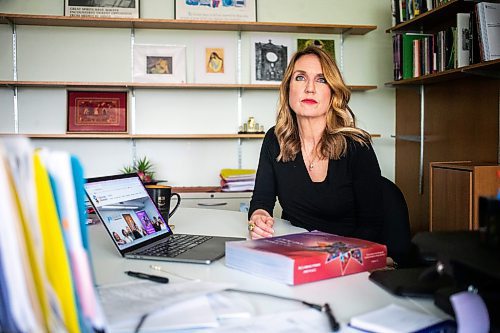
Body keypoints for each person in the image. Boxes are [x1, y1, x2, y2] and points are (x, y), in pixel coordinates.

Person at [248, 45, 383, 243]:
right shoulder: (276, 138)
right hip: (294, 250)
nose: (310, 88)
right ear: (288, 89)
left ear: (333, 92)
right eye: (300, 77)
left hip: (346, 257)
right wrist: (258, 217)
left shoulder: (356, 146)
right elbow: (261, 200)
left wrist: (333, 259)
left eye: (321, 80)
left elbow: (371, 226)